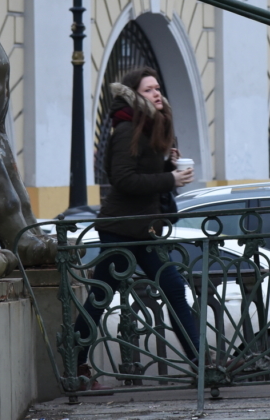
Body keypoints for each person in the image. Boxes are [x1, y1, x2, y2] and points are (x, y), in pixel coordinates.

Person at [74, 67, 198, 387]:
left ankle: (202, 363)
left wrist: (167, 163)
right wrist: (170, 177)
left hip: (145, 230)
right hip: (121, 228)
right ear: (134, 94)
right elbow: (123, 179)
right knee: (100, 298)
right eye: (149, 90)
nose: (157, 93)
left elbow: (141, 171)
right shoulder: (127, 128)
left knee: (173, 289)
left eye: (158, 88)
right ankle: (74, 366)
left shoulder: (149, 128)